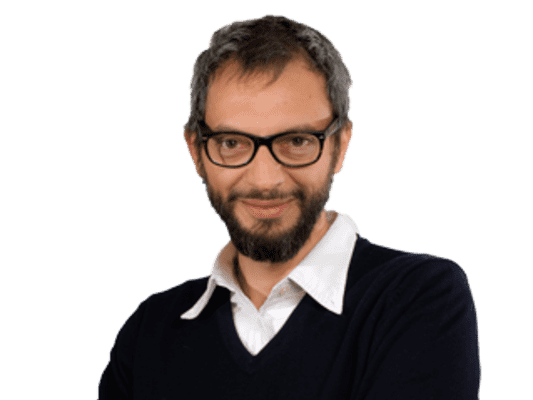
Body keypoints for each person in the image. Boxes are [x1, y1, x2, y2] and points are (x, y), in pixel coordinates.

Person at [98, 14, 481, 399]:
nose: (265, 180)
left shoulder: (418, 298)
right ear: (196, 150)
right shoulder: (149, 332)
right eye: (232, 143)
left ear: (340, 145)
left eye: (296, 141)